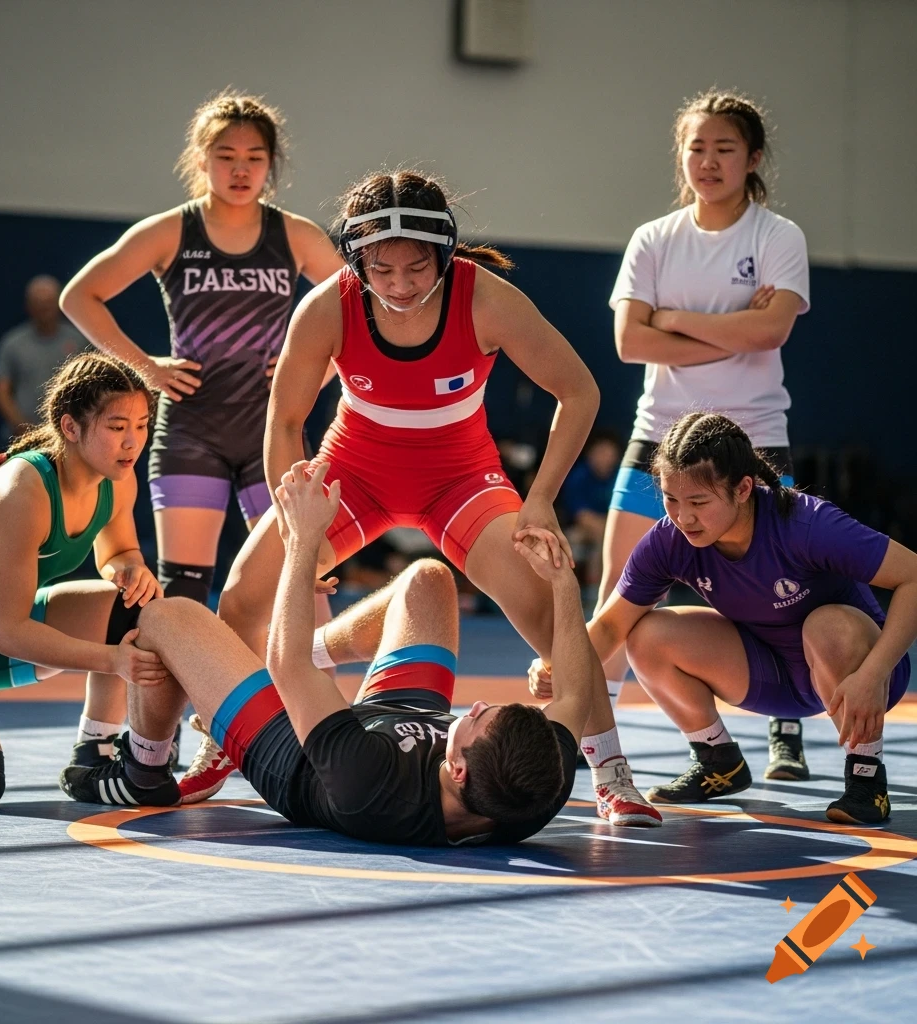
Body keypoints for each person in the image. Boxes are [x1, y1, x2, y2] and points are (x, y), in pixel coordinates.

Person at [181, 169, 657, 825]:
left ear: (445, 254)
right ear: (357, 260)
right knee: (241, 594)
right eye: (383, 270)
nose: (401, 285)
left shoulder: (485, 298)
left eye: (416, 268)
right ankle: (215, 739)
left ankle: (611, 772)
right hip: (355, 472)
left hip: (459, 479)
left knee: (550, 620)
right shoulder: (328, 304)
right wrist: (297, 529)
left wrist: (541, 497)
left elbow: (579, 392)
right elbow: (284, 421)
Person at [61, 462, 598, 848]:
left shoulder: (367, 783)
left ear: (456, 771)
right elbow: (575, 690)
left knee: (166, 617)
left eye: (480, 720)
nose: (477, 705)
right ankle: (322, 657)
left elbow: (285, 664)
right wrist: (563, 582)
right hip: (397, 719)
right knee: (429, 580)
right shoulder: (536, 783)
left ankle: (141, 769)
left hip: (294, 752)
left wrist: (303, 539)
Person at [550, 412, 913, 826]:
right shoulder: (670, 540)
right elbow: (611, 625)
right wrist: (558, 667)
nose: (683, 517)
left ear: (743, 488)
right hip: (774, 676)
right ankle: (717, 759)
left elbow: (913, 578)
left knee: (827, 625)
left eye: (699, 502)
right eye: (671, 499)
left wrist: (874, 672)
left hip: (861, 673)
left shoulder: (807, 523)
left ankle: (867, 779)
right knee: (645, 634)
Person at [597, 89, 812, 782]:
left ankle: (788, 730)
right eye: (697, 147)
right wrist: (730, 330)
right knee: (618, 590)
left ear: (752, 159)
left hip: (754, 439)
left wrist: (676, 319)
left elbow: (772, 331)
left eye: (725, 148)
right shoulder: (654, 239)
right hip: (660, 436)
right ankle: (596, 736)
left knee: (790, 586)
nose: (709, 161)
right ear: (680, 156)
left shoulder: (777, 237)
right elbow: (631, 342)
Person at [60, 89, 342, 609]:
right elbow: (78, 296)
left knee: (298, 582)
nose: (241, 171)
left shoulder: (296, 236)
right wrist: (145, 368)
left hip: (271, 432)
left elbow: (361, 308)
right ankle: (189, 691)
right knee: (184, 590)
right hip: (191, 430)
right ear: (201, 160)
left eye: (255, 159)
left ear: (271, 166)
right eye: (226, 158)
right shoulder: (171, 231)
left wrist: (317, 371)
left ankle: (314, 694)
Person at [0, 354, 165, 809]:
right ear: (71, 427)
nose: (132, 441)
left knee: (140, 610)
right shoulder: (21, 490)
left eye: (141, 425)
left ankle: (93, 753)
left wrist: (130, 567)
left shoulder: (117, 479)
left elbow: (118, 552)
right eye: (118, 426)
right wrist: (111, 659)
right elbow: (10, 632)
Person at [0, 275, 86, 436]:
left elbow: (90, 386)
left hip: (68, 434)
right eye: (39, 303)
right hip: (21, 436)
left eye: (48, 303)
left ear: (58, 303)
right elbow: (1, 391)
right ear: (28, 305)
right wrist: (21, 425)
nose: (44, 309)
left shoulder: (78, 340)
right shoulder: (12, 343)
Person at [558, 430, 622, 591]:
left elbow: (626, 512)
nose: (605, 457)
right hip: (579, 530)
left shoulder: (621, 476)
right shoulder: (578, 476)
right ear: (590, 454)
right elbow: (582, 517)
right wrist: (609, 529)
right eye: (601, 452)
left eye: (609, 453)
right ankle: (595, 587)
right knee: (599, 536)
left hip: (615, 528)